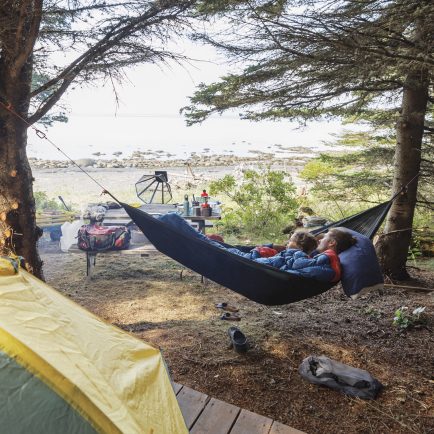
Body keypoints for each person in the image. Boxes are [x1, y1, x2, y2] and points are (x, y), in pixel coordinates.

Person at [256, 228, 357, 283]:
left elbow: (297, 264)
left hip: (280, 276)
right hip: (281, 274)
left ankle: (246, 257)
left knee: (270, 260)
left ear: (331, 243)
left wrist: (297, 253)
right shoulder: (328, 260)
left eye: (324, 237)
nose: (320, 239)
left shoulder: (327, 260)